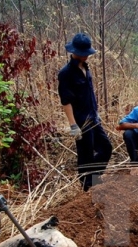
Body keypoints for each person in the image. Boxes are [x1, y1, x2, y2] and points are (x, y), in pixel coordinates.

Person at [58, 33, 113, 192]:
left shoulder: (86, 67)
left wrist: (96, 112)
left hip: (93, 117)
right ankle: (87, 187)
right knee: (85, 154)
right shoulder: (66, 73)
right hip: (81, 120)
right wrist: (73, 125)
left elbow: (89, 93)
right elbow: (66, 101)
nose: (87, 56)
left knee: (106, 148)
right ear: (75, 52)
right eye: (84, 53)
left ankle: (92, 178)